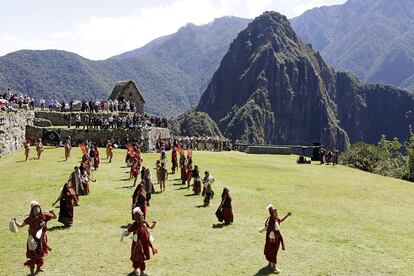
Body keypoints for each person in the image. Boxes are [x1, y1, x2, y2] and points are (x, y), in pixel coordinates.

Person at [14, 201, 57, 276]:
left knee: (40, 254)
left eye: (37, 207)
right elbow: (21, 225)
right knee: (33, 256)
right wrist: (15, 222)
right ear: (32, 210)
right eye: (34, 208)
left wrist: (53, 212)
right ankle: (32, 272)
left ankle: (38, 268)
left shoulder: (44, 215)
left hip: (42, 240)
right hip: (33, 241)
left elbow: (54, 217)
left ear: (39, 208)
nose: (36, 209)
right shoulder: (30, 218)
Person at [124, 207, 157, 275]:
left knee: (142, 257)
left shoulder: (144, 222)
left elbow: (150, 227)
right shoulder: (134, 225)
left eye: (141, 215)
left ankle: (142, 271)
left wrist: (154, 224)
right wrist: (125, 232)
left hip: (144, 243)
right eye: (139, 216)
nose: (141, 217)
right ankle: (135, 269)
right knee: (135, 257)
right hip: (137, 245)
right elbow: (127, 233)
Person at [263, 205, 291, 273]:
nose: (277, 212)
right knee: (273, 252)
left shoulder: (274, 219)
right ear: (273, 213)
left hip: (271, 238)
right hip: (273, 239)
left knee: (270, 250)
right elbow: (275, 230)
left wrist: (287, 216)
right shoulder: (272, 220)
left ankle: (269, 264)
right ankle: (274, 268)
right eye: (275, 211)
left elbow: (280, 220)